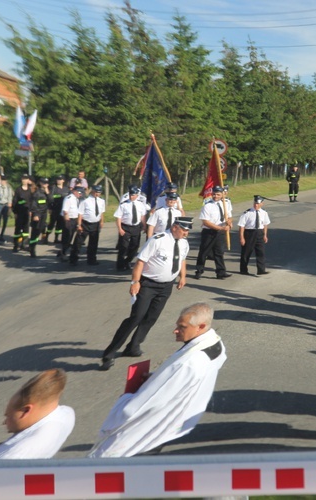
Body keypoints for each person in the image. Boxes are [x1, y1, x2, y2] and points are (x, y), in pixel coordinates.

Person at [90, 302, 226, 457]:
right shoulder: (215, 343)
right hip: (173, 421)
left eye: (182, 327)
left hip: (147, 431)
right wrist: (158, 377)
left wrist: (125, 400)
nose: (175, 330)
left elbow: (138, 408)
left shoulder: (187, 363)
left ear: (201, 326)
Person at [100, 217, 193, 371]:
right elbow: (140, 262)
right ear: (175, 227)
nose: (186, 233)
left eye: (188, 230)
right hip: (148, 284)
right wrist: (135, 282)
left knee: (151, 318)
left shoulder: (183, 243)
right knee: (136, 317)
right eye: (184, 230)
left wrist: (183, 276)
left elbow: (182, 259)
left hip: (166, 286)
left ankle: (133, 346)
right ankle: (109, 354)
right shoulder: (158, 240)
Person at [0, 369, 75, 459]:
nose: (4, 422)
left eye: (7, 416)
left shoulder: (14, 455)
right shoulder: (67, 413)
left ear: (26, 411)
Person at [194, 186, 232, 279]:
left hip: (220, 232)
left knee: (219, 252)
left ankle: (221, 272)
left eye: (218, 194)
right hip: (209, 232)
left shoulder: (226, 204)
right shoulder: (207, 205)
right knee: (204, 252)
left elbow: (230, 216)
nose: (215, 196)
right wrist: (220, 228)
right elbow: (205, 222)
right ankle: (199, 271)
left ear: (222, 194)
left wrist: (229, 222)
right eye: (214, 194)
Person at [114, 186, 149, 271]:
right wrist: (120, 229)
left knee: (135, 247)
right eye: (130, 195)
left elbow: (142, 216)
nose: (131, 196)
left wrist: (144, 226)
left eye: (133, 195)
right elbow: (118, 217)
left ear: (137, 195)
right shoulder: (124, 204)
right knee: (123, 247)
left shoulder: (141, 205)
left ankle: (127, 261)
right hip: (125, 227)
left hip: (136, 227)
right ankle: (120, 265)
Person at [238, 195, 271, 276]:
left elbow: (265, 224)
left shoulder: (264, 213)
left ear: (262, 204)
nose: (256, 205)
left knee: (261, 252)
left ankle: (261, 270)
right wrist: (242, 238)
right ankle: (243, 269)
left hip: (259, 233)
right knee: (246, 252)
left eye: (258, 204)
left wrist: (265, 235)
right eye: (255, 203)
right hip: (249, 233)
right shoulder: (247, 213)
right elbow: (241, 226)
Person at [77, 185, 105, 265]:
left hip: (95, 224)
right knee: (79, 242)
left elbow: (101, 212)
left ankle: (91, 259)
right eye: (96, 192)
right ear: (92, 191)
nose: (97, 194)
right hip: (85, 223)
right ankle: (73, 258)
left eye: (99, 192)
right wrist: (79, 225)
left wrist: (102, 221)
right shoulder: (85, 201)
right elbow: (80, 213)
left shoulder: (101, 201)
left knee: (93, 243)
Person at [59, 186, 84, 262]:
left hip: (75, 219)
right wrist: (67, 222)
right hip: (69, 220)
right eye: (79, 192)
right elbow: (65, 211)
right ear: (75, 191)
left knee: (72, 236)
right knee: (67, 237)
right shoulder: (68, 198)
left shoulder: (76, 199)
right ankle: (63, 253)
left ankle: (63, 251)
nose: (81, 194)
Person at [28, 178, 51, 258]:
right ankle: (32, 248)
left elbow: (51, 202)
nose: (45, 184)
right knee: (35, 231)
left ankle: (32, 245)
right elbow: (33, 205)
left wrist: (48, 193)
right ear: (40, 183)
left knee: (40, 230)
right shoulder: (37, 193)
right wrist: (36, 215)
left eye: (46, 183)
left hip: (44, 214)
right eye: (44, 183)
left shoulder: (46, 193)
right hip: (38, 215)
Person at [11, 174, 33, 252]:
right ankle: (16, 245)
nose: (24, 180)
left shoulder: (30, 190)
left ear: (28, 180)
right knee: (17, 229)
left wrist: (31, 211)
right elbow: (14, 202)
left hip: (26, 213)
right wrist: (15, 212)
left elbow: (31, 201)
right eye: (23, 179)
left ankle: (24, 244)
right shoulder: (18, 190)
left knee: (26, 229)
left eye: (26, 179)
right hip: (19, 212)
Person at [46, 175, 69, 244]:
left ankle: (56, 238)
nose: (58, 181)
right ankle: (46, 237)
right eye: (57, 179)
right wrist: (50, 208)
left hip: (62, 209)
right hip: (54, 209)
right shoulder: (53, 188)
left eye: (60, 179)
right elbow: (50, 199)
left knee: (60, 224)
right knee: (51, 224)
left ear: (63, 180)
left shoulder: (66, 189)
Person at [0, 175, 13, 244]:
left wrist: (9, 207)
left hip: (6, 205)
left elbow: (10, 198)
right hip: (0, 205)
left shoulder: (9, 188)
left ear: (5, 181)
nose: (2, 182)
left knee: (5, 221)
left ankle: (2, 236)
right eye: (1, 180)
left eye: (3, 180)